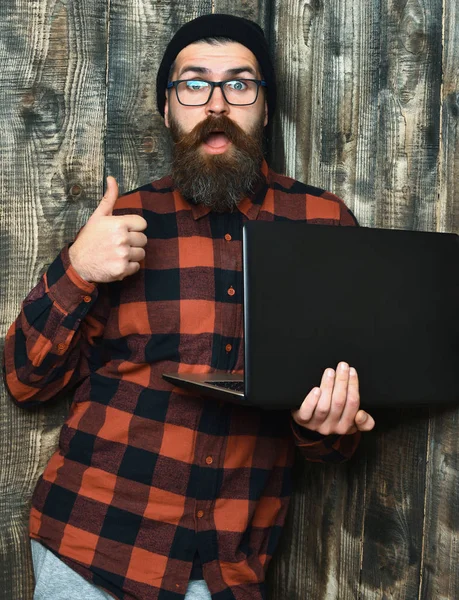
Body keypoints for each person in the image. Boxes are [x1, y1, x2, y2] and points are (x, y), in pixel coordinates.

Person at [3, 13, 375, 600]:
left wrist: (323, 428)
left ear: (265, 106)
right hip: (90, 546)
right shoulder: (122, 221)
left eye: (240, 83)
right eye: (194, 84)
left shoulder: (324, 226)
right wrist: (77, 268)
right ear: (168, 108)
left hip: (226, 570)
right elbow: (26, 381)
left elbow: (341, 427)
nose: (217, 104)